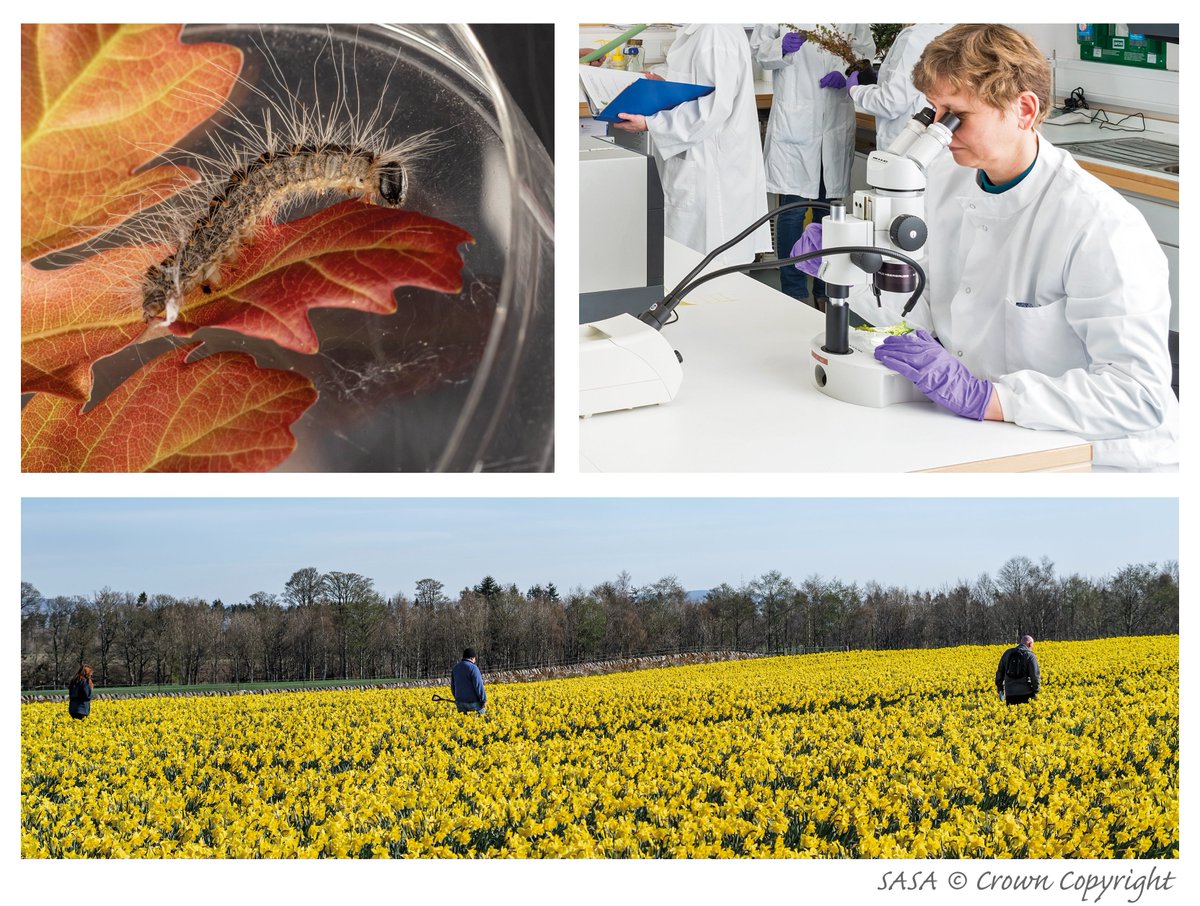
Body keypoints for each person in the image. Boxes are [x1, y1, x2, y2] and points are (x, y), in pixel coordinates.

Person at [842, 24, 1176, 470]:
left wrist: (989, 398)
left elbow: (1137, 395)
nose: (938, 130)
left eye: (958, 114)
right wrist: (853, 276)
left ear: (1023, 109)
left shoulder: (1099, 225)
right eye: (931, 111)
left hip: (1096, 459)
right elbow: (934, 313)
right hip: (979, 437)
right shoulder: (941, 179)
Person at [611, 25, 770, 268]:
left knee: (709, 271)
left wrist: (650, 123)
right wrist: (663, 82)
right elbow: (698, 83)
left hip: (713, 176)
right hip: (700, 167)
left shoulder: (717, 32)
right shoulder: (699, 29)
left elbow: (712, 110)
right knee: (691, 269)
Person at [751, 24, 874, 306]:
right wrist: (781, 47)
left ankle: (825, 291)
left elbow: (864, 52)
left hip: (835, 116)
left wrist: (847, 74)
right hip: (797, 122)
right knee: (792, 211)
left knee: (829, 214)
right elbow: (758, 51)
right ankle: (793, 292)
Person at [848, 24, 952, 152]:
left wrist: (854, 90)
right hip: (938, 146)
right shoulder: (958, 29)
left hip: (906, 145)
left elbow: (890, 103)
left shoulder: (915, 36)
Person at [996, 636, 1040, 706]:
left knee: (1011, 715)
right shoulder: (1030, 656)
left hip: (1010, 694)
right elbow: (1035, 676)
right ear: (1030, 644)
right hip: (1026, 694)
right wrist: (1036, 690)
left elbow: (1000, 672)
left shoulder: (1007, 653)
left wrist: (1000, 688)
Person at [450, 648, 486, 715]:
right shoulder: (473, 668)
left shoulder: (455, 668)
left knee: (463, 722)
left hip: (460, 702)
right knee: (482, 720)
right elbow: (478, 685)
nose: (475, 661)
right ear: (472, 658)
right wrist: (483, 700)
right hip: (473, 702)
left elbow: (452, 686)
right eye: (475, 659)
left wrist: (457, 699)